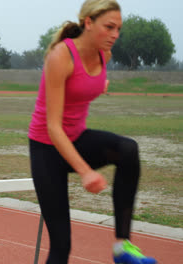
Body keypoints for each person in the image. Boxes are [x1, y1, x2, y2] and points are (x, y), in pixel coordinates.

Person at [28, 0, 157, 263]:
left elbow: (84, 85)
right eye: (109, 27)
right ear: (88, 22)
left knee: (127, 150)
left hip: (76, 138)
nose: (115, 35)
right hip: (47, 149)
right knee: (61, 246)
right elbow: (53, 127)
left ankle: (122, 247)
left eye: (118, 29)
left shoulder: (103, 55)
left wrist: (100, 85)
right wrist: (86, 172)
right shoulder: (60, 56)